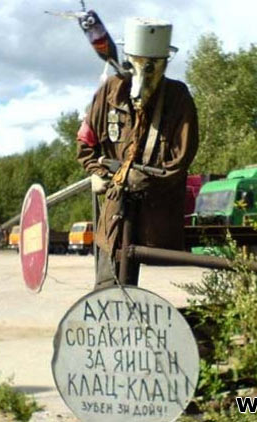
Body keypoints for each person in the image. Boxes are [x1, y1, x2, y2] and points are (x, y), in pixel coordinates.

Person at [76, 17, 199, 289]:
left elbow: (180, 160)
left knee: (143, 288)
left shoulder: (177, 98)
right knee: (108, 289)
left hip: (155, 213)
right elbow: (85, 143)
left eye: (154, 64)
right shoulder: (109, 92)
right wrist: (98, 173)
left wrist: (135, 179)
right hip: (114, 212)